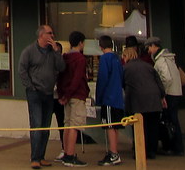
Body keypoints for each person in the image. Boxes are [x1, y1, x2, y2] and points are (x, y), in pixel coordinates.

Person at [19, 25, 65, 169]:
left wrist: (57, 51)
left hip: (48, 93)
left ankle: (41, 156)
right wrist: (30, 87)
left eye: (52, 33)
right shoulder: (29, 51)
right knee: (37, 125)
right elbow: (22, 70)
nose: (52, 35)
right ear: (41, 35)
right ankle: (35, 158)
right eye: (49, 33)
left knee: (46, 126)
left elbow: (61, 67)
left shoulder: (53, 51)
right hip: (35, 93)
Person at [122, 44, 166, 160]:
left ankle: (140, 151)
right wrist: (162, 97)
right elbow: (159, 83)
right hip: (154, 99)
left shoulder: (126, 68)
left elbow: (123, 85)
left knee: (139, 127)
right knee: (153, 127)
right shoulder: (148, 66)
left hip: (137, 101)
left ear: (126, 56)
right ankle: (152, 151)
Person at [146, 36, 184, 156]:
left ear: (153, 46)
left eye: (149, 47)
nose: (148, 51)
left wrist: (163, 93)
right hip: (176, 92)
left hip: (169, 94)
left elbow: (167, 78)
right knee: (172, 120)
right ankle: (176, 146)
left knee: (170, 121)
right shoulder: (169, 58)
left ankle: (174, 146)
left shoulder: (161, 60)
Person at [57, 31, 90, 167]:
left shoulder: (65, 57)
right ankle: (70, 155)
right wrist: (69, 93)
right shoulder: (80, 59)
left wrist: (62, 95)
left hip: (66, 94)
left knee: (67, 124)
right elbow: (77, 78)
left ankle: (66, 152)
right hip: (76, 94)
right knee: (75, 126)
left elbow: (60, 77)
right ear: (81, 43)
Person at [95, 36, 124, 166]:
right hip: (118, 97)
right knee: (115, 126)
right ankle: (114, 150)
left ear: (101, 46)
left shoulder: (105, 58)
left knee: (110, 126)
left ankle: (113, 153)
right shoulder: (117, 59)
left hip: (108, 97)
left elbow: (103, 78)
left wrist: (99, 97)